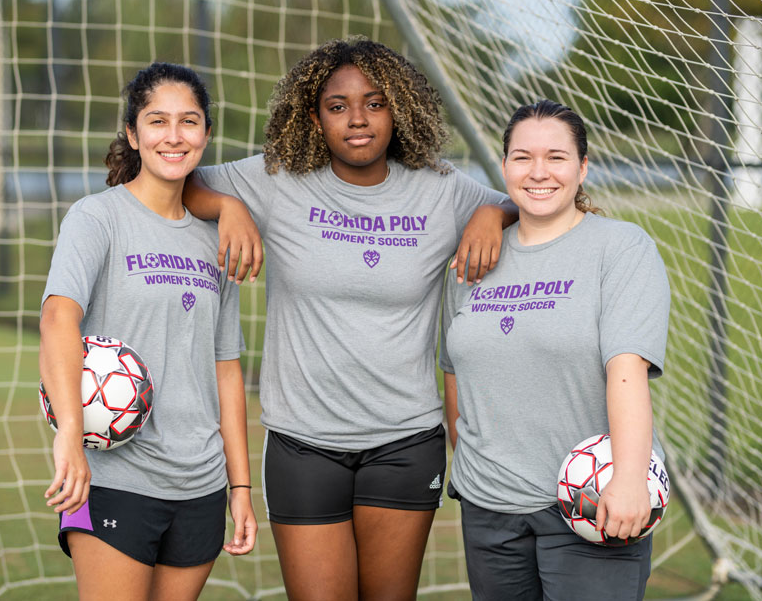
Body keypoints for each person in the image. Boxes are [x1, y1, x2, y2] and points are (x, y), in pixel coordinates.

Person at [182, 36, 516, 601]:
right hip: (303, 443)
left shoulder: (440, 190)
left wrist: (491, 211)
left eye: (375, 102)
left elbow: (529, 203)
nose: (357, 119)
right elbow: (180, 183)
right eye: (338, 106)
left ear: (400, 109)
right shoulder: (276, 180)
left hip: (405, 442)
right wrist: (229, 207)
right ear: (314, 117)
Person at [39, 62, 257, 601]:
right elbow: (57, 318)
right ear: (133, 135)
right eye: (157, 121)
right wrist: (69, 430)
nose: (174, 135)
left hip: (201, 482)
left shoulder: (215, 239)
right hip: (114, 478)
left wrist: (241, 487)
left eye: (189, 121)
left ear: (206, 133)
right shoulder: (96, 218)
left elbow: (225, 368)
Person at [440, 100, 670, 600]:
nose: (538, 172)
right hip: (489, 509)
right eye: (522, 158)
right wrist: (478, 460)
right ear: (503, 167)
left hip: (590, 503)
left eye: (557, 158)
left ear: (583, 168)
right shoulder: (472, 262)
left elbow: (626, 371)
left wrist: (629, 478)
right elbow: (454, 370)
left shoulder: (622, 249)